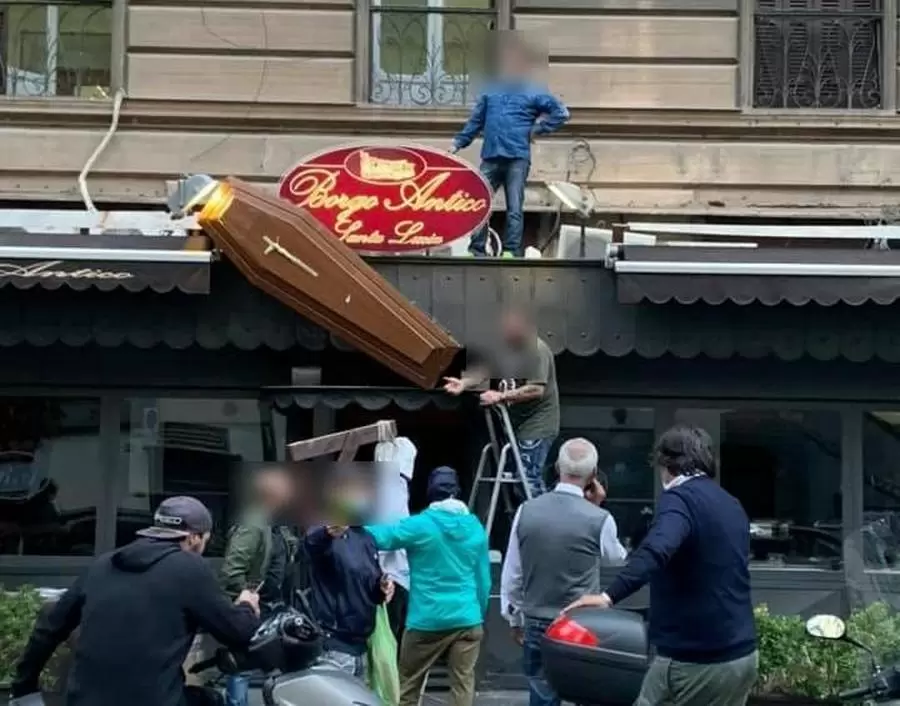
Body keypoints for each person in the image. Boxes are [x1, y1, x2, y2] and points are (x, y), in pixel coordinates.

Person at [564, 426, 758, 706]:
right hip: (741, 654)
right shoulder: (730, 503)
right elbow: (707, 571)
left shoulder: (679, 500)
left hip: (695, 659)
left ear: (665, 464)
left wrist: (609, 596)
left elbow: (657, 549)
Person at [11, 496, 261, 706]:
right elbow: (238, 632)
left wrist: (24, 687)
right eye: (205, 540)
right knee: (211, 700)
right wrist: (247, 604)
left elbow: (48, 627)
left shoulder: (102, 564)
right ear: (193, 538)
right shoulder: (189, 568)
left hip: (84, 701)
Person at [501, 439, 627, 706]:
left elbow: (513, 571)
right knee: (588, 695)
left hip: (537, 620)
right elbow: (616, 558)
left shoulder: (526, 511)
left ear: (557, 467)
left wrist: (513, 617)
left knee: (543, 695)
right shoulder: (599, 519)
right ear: (593, 476)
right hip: (583, 623)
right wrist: (596, 508)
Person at [365, 466, 490, 706]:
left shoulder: (421, 525)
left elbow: (381, 537)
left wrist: (344, 525)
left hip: (426, 620)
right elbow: (483, 579)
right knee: (462, 687)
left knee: (408, 686)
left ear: (430, 493)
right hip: (467, 618)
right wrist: (477, 613)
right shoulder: (475, 526)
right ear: (457, 492)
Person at [450, 32, 569, 257]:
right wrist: (458, 143)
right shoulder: (491, 91)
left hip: (517, 158)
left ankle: (511, 251)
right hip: (492, 156)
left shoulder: (533, 92)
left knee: (514, 207)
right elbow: (475, 122)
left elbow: (561, 113)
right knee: (477, 202)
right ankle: (476, 249)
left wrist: (538, 130)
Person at [444, 309, 559, 498]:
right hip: (515, 426)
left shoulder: (537, 350)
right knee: (515, 479)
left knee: (528, 478)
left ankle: (541, 519)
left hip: (537, 425)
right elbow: (486, 371)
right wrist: (464, 383)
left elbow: (536, 390)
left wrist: (500, 396)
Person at [219, 465, 296, 706]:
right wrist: (248, 600)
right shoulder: (252, 524)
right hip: (254, 610)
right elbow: (231, 571)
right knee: (242, 670)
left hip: (274, 608)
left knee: (270, 674)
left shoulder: (278, 526)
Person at [305, 466, 390, 678]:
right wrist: (327, 531)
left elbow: (371, 585)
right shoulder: (325, 530)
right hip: (334, 646)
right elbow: (312, 543)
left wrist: (382, 587)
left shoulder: (366, 538)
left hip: (361, 647)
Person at [373, 436, 419, 643]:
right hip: (390, 575)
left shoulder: (387, 485)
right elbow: (391, 532)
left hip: (392, 571)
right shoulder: (393, 487)